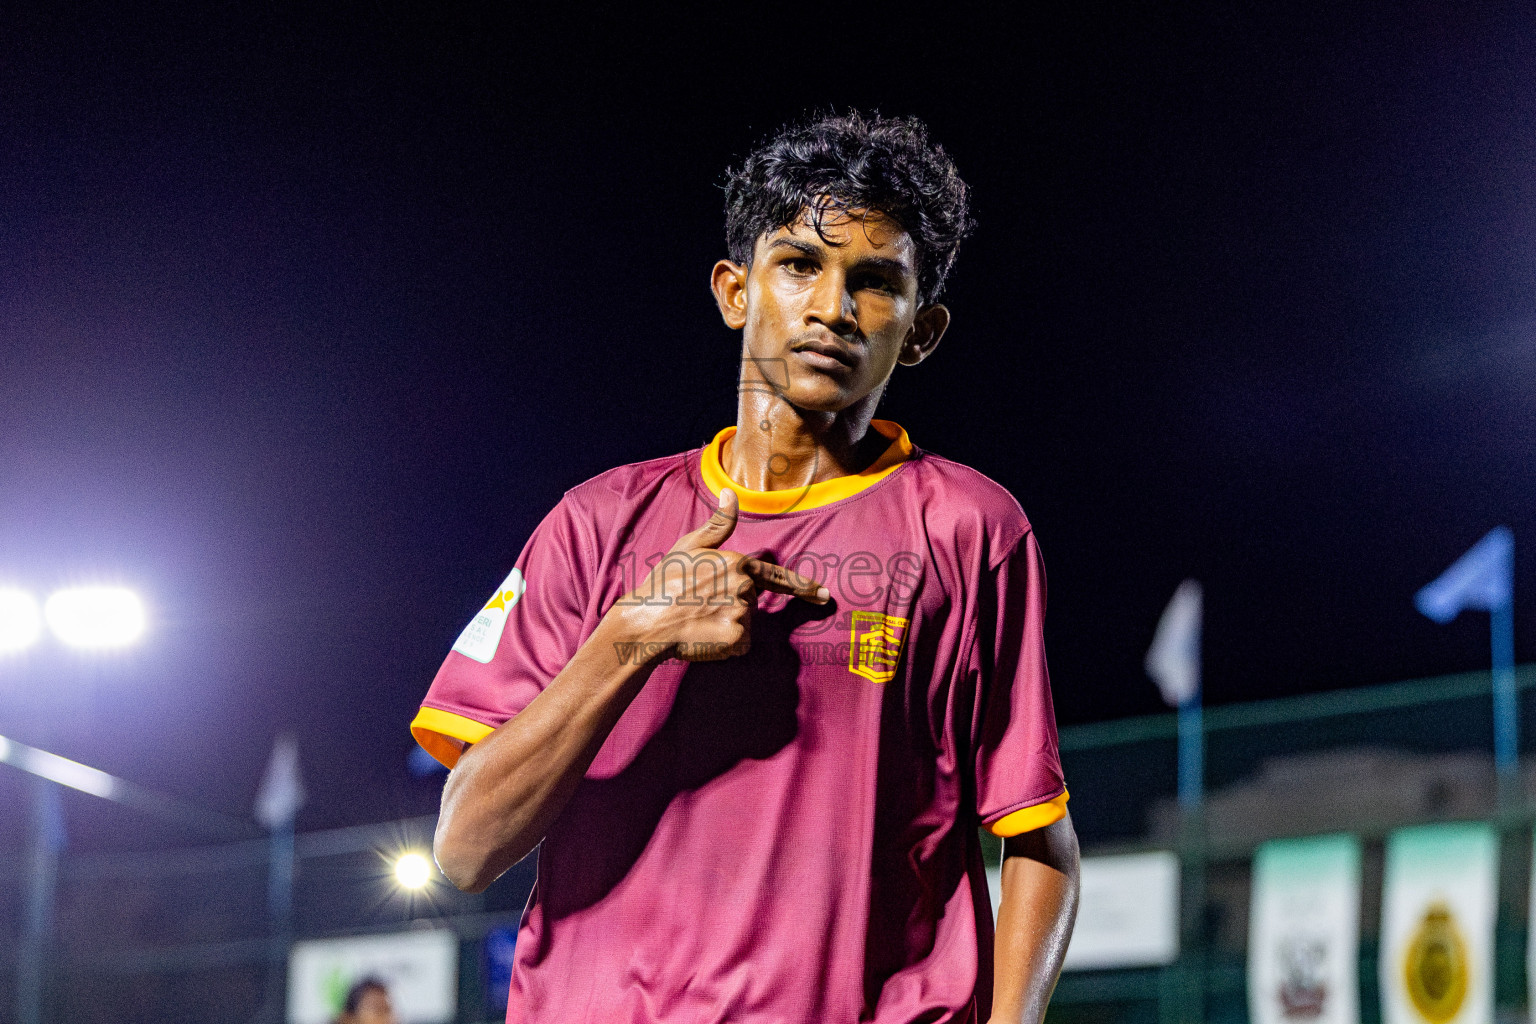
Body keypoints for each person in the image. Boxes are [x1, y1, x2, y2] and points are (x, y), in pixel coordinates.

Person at [412, 111, 1080, 1024]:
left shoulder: (969, 529)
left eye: (875, 282)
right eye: (800, 264)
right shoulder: (596, 523)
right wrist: (629, 640)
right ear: (735, 289)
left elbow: (1041, 842)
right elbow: (465, 847)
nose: (831, 309)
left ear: (920, 332)